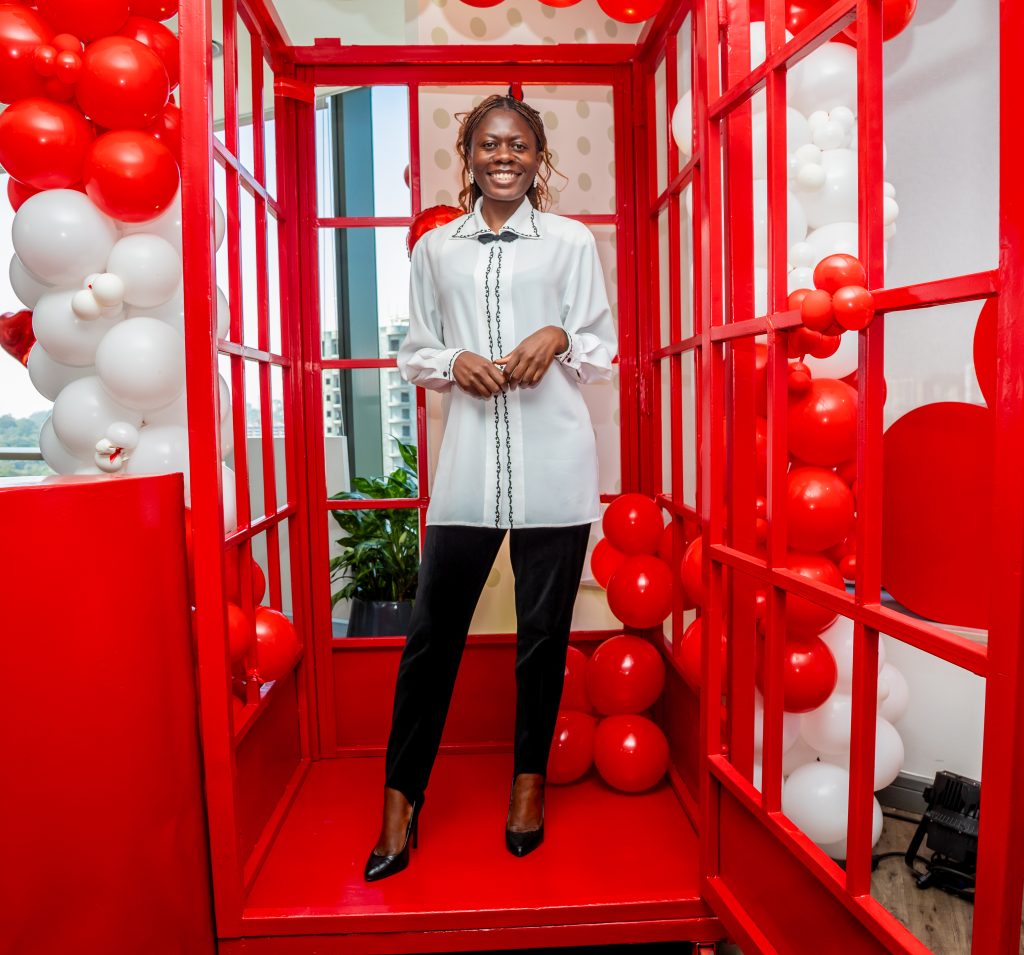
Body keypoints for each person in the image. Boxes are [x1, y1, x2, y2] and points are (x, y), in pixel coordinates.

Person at [364, 87, 617, 882]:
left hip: (557, 463)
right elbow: (415, 350)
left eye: (519, 144)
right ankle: (400, 801)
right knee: (431, 637)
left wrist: (561, 334)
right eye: (489, 144)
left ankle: (527, 787)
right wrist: (452, 360)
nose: (504, 156)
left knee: (543, 638)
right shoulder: (435, 250)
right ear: (467, 157)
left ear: (539, 158)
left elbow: (602, 348)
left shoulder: (571, 242)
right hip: (470, 469)